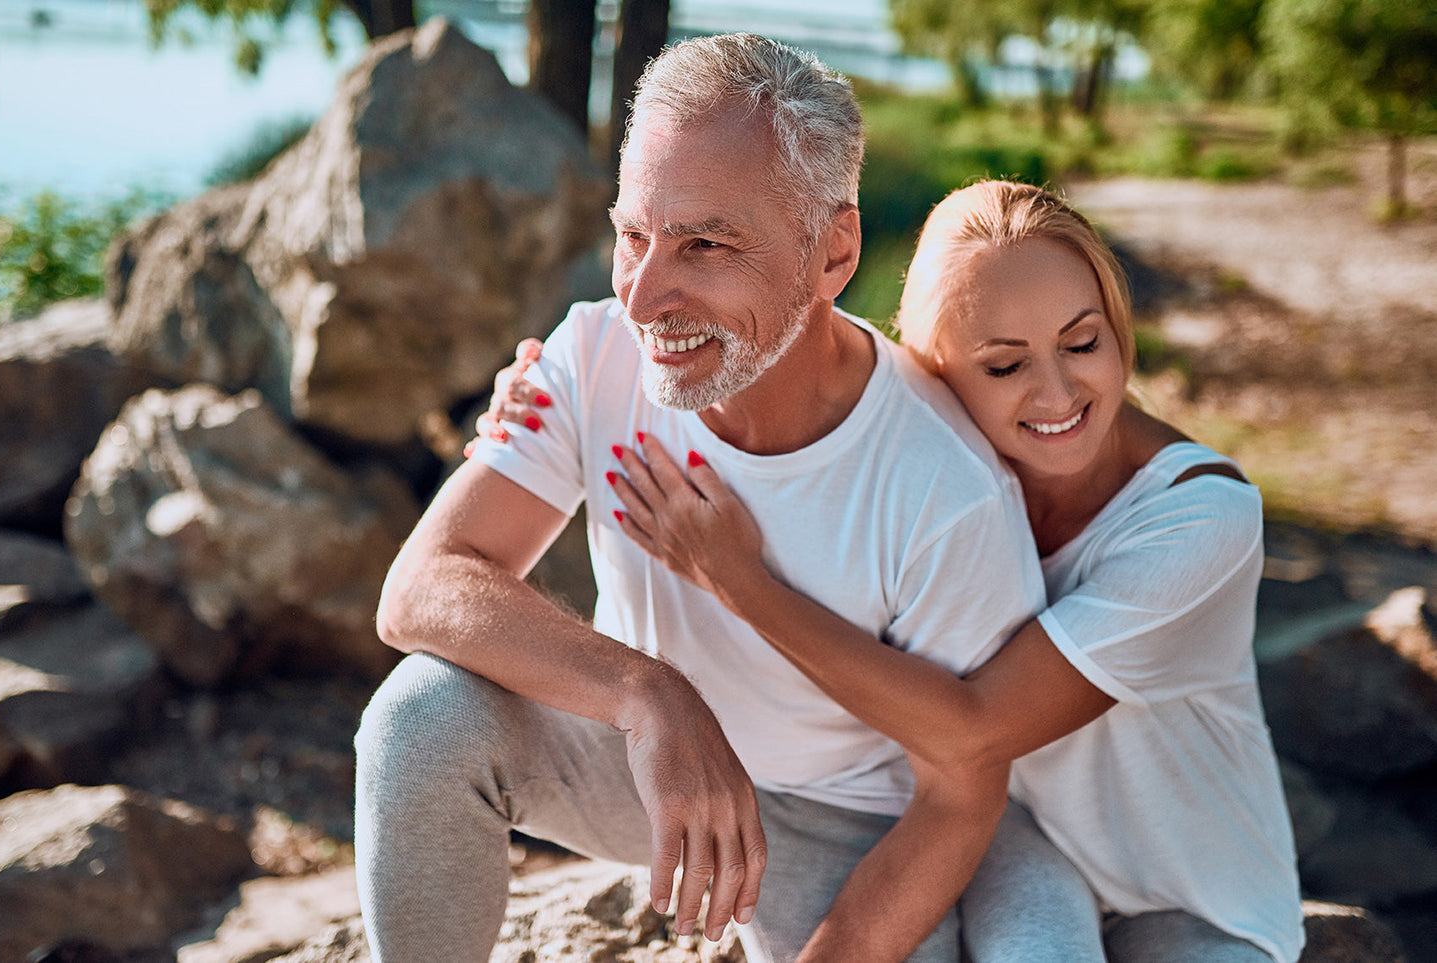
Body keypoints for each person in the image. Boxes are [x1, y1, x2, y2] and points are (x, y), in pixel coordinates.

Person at [477, 180, 1306, 962]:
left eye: (1081, 342)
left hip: (1190, 894)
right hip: (1013, 845)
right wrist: (548, 384)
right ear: (935, 376)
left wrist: (741, 580)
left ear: (1118, 327)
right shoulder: (948, 465)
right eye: (1003, 364)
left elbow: (975, 726)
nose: (1056, 392)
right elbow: (817, 376)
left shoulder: (1202, 520)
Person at [356, 35, 1048, 963]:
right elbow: (422, 589)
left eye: (705, 244)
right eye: (632, 234)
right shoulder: (595, 353)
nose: (642, 296)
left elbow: (962, 791)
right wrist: (649, 695)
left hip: (845, 827)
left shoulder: (945, 487)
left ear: (832, 250)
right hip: (649, 771)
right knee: (421, 717)